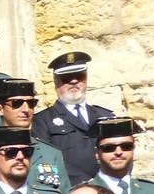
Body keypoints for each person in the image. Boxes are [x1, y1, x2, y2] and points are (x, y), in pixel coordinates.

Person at [0, 78, 68, 192]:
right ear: (0, 109)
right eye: (16, 103)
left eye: (31, 103)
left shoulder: (51, 153)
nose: (26, 109)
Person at [31, 51, 115, 185]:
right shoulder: (43, 120)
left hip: (109, 190)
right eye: (67, 78)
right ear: (56, 83)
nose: (74, 81)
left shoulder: (105, 116)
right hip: (71, 191)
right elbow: (45, 162)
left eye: (80, 76)